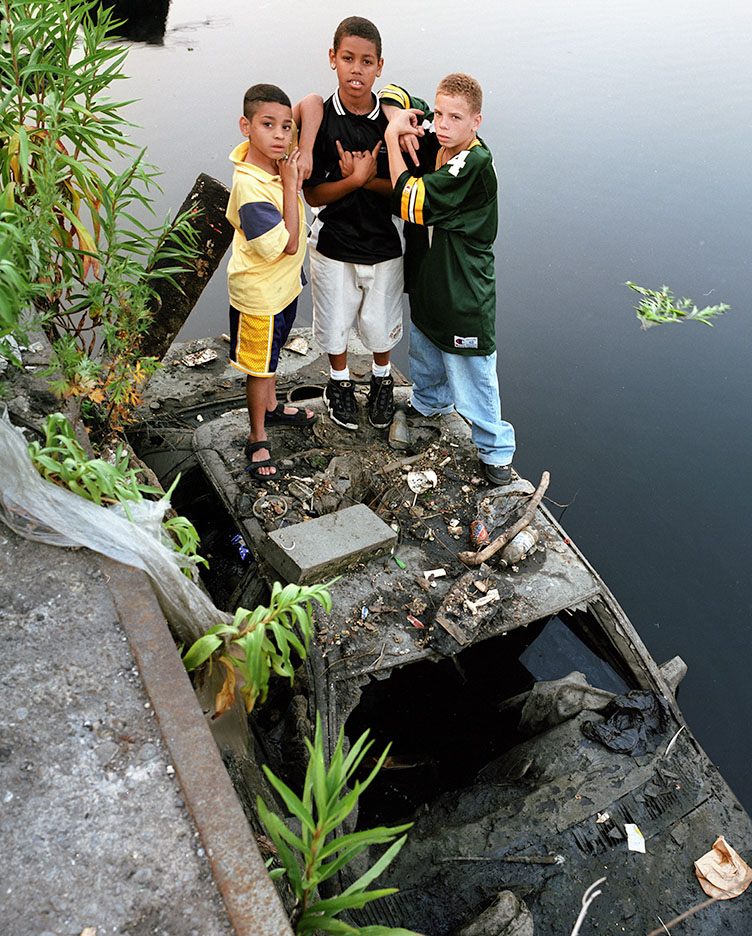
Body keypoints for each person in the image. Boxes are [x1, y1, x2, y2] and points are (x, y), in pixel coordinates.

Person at [381, 74, 516, 485]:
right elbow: (394, 94)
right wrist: (401, 117)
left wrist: (392, 138)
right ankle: (429, 402)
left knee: (473, 369)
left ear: (476, 122)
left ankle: (495, 450)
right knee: (425, 341)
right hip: (431, 276)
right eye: (439, 114)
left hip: (464, 285)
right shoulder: (438, 140)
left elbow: (411, 201)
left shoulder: (473, 163)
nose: (442, 124)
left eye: (455, 117)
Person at [302, 16, 404, 431]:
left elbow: (404, 193)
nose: (356, 69)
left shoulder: (392, 125)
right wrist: (351, 181)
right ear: (332, 58)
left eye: (366, 61)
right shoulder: (321, 120)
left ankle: (382, 380)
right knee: (334, 322)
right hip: (333, 242)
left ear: (380, 66)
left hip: (383, 242)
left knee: (380, 323)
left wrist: (367, 179)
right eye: (347, 59)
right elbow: (312, 194)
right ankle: (339, 382)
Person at [226, 83, 316, 481]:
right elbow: (290, 243)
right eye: (268, 125)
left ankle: (272, 406)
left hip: (283, 287)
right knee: (259, 368)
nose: (280, 135)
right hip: (259, 295)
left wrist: (299, 153)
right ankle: (257, 434)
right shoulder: (251, 188)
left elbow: (312, 104)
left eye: (286, 126)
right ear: (246, 127)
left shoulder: (277, 165)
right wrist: (292, 185)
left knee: (273, 354)